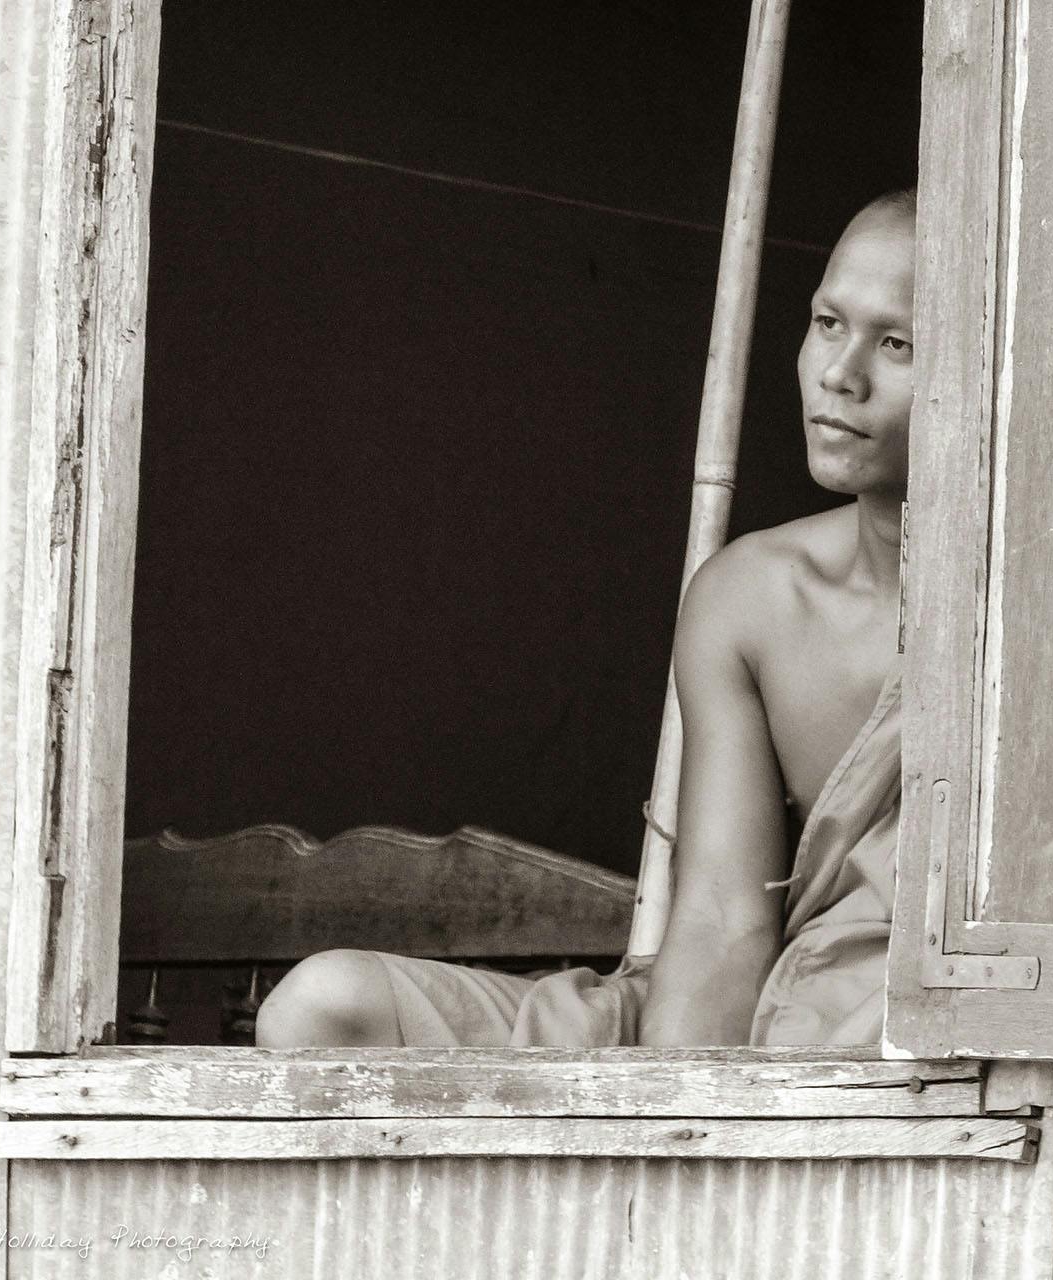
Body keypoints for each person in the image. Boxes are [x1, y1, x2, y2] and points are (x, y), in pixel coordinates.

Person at [255, 188, 915, 1048]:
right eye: (828, 323)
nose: (840, 373)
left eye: (896, 343)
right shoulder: (751, 594)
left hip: (881, 1030)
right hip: (729, 1020)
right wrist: (677, 1123)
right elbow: (721, 921)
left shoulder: (1047, 633)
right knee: (324, 1006)